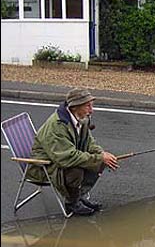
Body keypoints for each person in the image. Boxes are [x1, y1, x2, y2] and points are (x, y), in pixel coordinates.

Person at [26, 88, 119, 216]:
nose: (91, 110)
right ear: (75, 107)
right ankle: (71, 202)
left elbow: (89, 142)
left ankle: (78, 196)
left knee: (100, 161)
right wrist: (99, 157)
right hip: (44, 166)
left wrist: (102, 154)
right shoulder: (57, 127)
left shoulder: (81, 118)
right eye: (87, 106)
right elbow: (66, 158)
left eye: (91, 105)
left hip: (60, 159)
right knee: (77, 169)